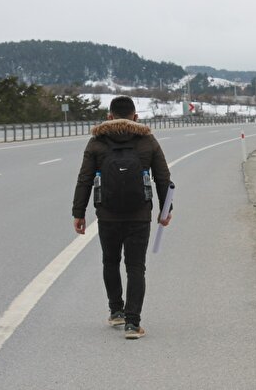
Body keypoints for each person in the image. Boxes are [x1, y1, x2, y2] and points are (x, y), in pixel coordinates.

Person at [72, 96, 172, 340]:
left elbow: (84, 179)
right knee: (136, 266)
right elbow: (163, 177)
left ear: (109, 116)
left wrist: (78, 213)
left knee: (110, 261)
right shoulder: (147, 140)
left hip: (107, 214)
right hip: (139, 214)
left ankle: (116, 311)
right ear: (135, 116)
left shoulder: (97, 142)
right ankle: (132, 324)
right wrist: (165, 210)